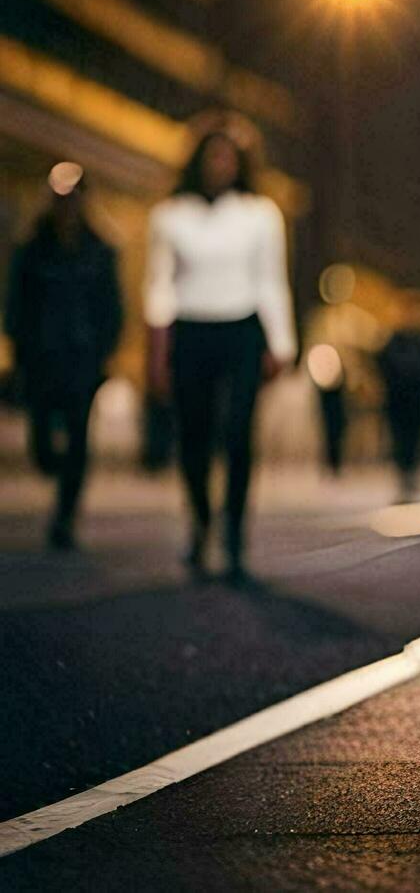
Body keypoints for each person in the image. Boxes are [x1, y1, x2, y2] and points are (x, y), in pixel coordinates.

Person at [145, 123, 296, 581]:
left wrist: (281, 343)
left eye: (227, 157)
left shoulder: (260, 213)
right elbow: (157, 285)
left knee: (237, 432)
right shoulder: (170, 214)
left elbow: (271, 281)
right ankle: (200, 520)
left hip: (242, 331)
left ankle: (234, 533)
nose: (219, 165)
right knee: (193, 433)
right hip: (191, 330)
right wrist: (157, 349)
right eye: (212, 156)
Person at [4, 168, 122, 548]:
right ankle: (55, 472)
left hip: (82, 360)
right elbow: (16, 303)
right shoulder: (33, 247)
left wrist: (103, 350)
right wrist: (19, 346)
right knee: (41, 440)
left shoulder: (100, 250)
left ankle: (65, 516)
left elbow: (112, 307)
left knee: (76, 437)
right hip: (41, 357)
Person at [376, 290, 420, 501]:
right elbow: (382, 364)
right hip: (397, 397)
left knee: (415, 435)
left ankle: (411, 472)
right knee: (400, 436)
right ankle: (403, 472)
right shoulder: (394, 340)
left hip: (416, 397)